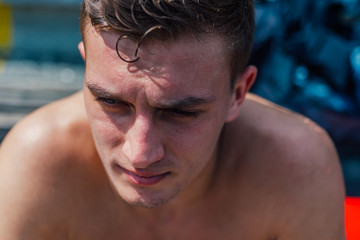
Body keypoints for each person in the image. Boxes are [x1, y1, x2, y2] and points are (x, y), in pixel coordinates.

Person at [0, 0, 346, 239]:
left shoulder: (296, 167)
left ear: (238, 94)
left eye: (181, 112)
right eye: (111, 102)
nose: (140, 154)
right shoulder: (35, 164)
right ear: (85, 66)